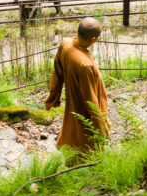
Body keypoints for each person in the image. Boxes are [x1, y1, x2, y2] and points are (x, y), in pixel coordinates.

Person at [45, 17, 109, 155]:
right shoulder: (85, 65)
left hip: (72, 100)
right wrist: (101, 130)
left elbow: (57, 71)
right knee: (84, 140)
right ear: (92, 39)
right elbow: (91, 101)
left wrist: (53, 94)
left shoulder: (65, 44)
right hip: (82, 107)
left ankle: (68, 153)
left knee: (71, 128)